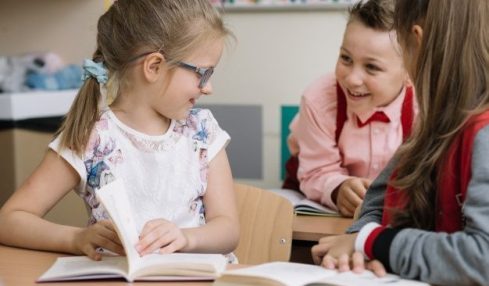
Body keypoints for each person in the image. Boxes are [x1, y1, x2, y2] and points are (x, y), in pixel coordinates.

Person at [0, 0, 240, 263]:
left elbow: (228, 230)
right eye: (203, 74)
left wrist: (187, 237)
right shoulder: (91, 137)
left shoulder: (203, 132)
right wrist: (75, 239)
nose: (209, 88)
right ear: (154, 66)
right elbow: (10, 220)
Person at [311, 0, 489, 284]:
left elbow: (483, 260)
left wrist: (372, 242)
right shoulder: (436, 124)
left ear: (416, 41)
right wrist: (361, 242)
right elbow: (377, 201)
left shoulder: (481, 131)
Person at [283, 0, 416, 217]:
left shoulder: (426, 107)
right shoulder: (319, 100)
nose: (352, 79)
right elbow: (316, 171)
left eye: (371, 67)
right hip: (318, 199)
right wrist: (338, 189)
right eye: (346, 58)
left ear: (410, 72)